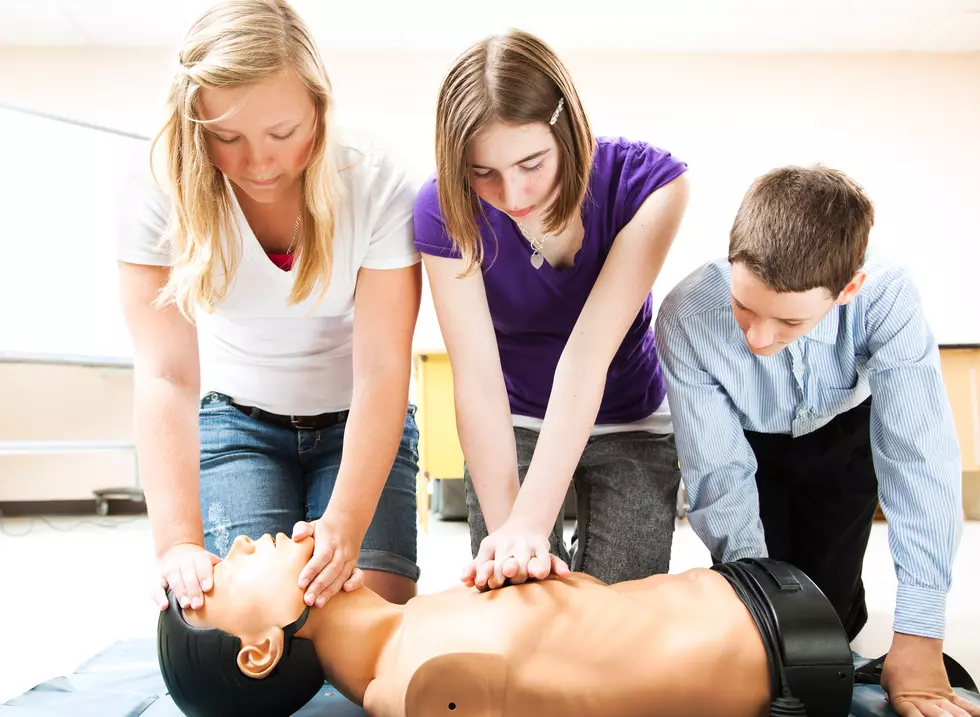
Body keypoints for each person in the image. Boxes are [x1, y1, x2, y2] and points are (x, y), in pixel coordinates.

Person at [116, 0, 422, 615]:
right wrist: (177, 543)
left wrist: (346, 522)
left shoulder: (376, 178)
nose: (259, 163)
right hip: (237, 425)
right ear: (194, 125)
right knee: (241, 614)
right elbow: (166, 375)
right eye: (226, 137)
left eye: (282, 133)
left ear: (319, 105)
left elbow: (384, 369)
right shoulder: (157, 189)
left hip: (353, 420)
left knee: (361, 615)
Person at [654, 164, 967, 716]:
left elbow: (917, 458)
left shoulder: (888, 296)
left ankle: (841, 604)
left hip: (843, 437)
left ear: (847, 291)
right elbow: (718, 470)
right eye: (744, 308)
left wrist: (921, 636)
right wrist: (762, 612)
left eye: (789, 322)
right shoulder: (687, 313)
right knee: (778, 621)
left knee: (832, 619)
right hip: (748, 442)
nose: (758, 338)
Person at [413, 29, 691, 592]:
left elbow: (587, 357)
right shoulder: (443, 208)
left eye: (531, 163)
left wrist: (535, 522)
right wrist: (514, 533)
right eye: (482, 172)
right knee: (515, 599)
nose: (513, 195)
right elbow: (477, 380)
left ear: (565, 129)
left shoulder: (650, 186)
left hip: (630, 418)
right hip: (512, 421)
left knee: (614, 616)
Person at [157, 528, 891, 717]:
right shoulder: (426, 686)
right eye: (226, 568)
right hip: (782, 647)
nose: (245, 542)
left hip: (759, 598)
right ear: (260, 651)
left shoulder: (416, 628)